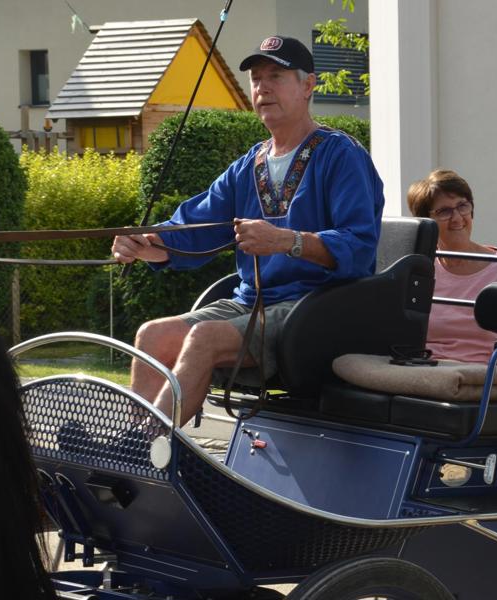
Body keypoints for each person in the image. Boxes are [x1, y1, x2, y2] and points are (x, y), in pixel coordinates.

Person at [111, 35, 384, 426]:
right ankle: (131, 448)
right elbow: (192, 232)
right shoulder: (247, 167)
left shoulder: (342, 155)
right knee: (152, 335)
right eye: (256, 78)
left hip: (315, 310)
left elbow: (359, 246)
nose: (263, 87)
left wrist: (287, 242)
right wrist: (145, 243)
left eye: (276, 75)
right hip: (249, 306)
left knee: (204, 338)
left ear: (308, 85)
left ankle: (146, 445)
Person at [406, 169, 497, 365]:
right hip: (427, 372)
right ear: (426, 221)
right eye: (444, 211)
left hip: (481, 378)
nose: (457, 218)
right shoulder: (419, 267)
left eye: (462, 206)